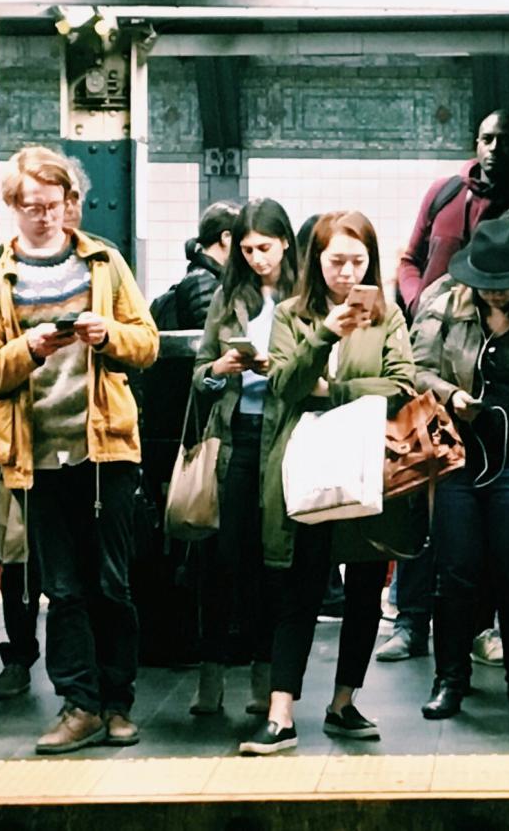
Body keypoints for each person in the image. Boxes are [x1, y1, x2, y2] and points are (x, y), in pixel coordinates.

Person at [0, 146, 160, 755]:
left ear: (71, 203)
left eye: (55, 204)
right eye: (31, 206)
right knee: (64, 590)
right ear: (13, 208)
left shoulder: (105, 262)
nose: (45, 216)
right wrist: (31, 349)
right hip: (38, 455)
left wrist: (110, 336)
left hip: (107, 453)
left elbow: (147, 343)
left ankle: (117, 703)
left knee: (113, 585)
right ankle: (79, 706)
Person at [237, 211, 418, 755]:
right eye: (336, 260)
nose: (346, 272)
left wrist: (334, 390)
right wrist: (323, 334)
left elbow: (402, 383)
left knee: (365, 588)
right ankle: (280, 713)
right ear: (316, 261)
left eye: (357, 261)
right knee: (300, 587)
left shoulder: (387, 316)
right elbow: (286, 385)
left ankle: (344, 703)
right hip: (309, 467)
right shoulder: (293, 316)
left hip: (365, 468)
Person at [412, 216, 509, 722]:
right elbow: (415, 369)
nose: (496, 296)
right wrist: (451, 394)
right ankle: (450, 679)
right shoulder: (445, 305)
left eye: (506, 288)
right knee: (454, 574)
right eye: (487, 287)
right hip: (457, 458)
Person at [183, 199, 297, 718]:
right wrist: (221, 368)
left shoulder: (304, 296)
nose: (256, 259)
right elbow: (200, 370)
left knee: (271, 562)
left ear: (286, 244)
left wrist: (284, 366)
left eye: (265, 248)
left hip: (287, 436)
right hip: (235, 435)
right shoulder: (230, 295)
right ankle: (212, 674)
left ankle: (263, 673)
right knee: (221, 559)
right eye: (247, 249)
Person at [397, 110, 509, 312]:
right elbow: (410, 260)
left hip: (496, 329)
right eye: (487, 139)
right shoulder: (443, 192)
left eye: (506, 141)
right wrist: (417, 302)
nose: (494, 148)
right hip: (430, 328)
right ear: (477, 144)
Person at [150, 200, 241, 334]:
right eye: (241, 238)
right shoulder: (203, 283)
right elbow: (215, 340)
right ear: (226, 237)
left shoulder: (201, 278)